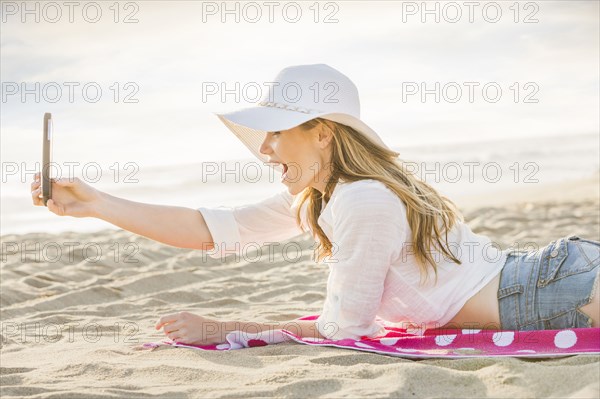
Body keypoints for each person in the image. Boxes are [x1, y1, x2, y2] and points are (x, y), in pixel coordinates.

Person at [31, 64, 600, 346]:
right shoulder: (323, 197)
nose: (267, 147)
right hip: (550, 278)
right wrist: (97, 204)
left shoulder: (363, 201)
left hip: (547, 289)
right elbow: (211, 230)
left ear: (323, 133)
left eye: (277, 132)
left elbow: (340, 330)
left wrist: (223, 327)